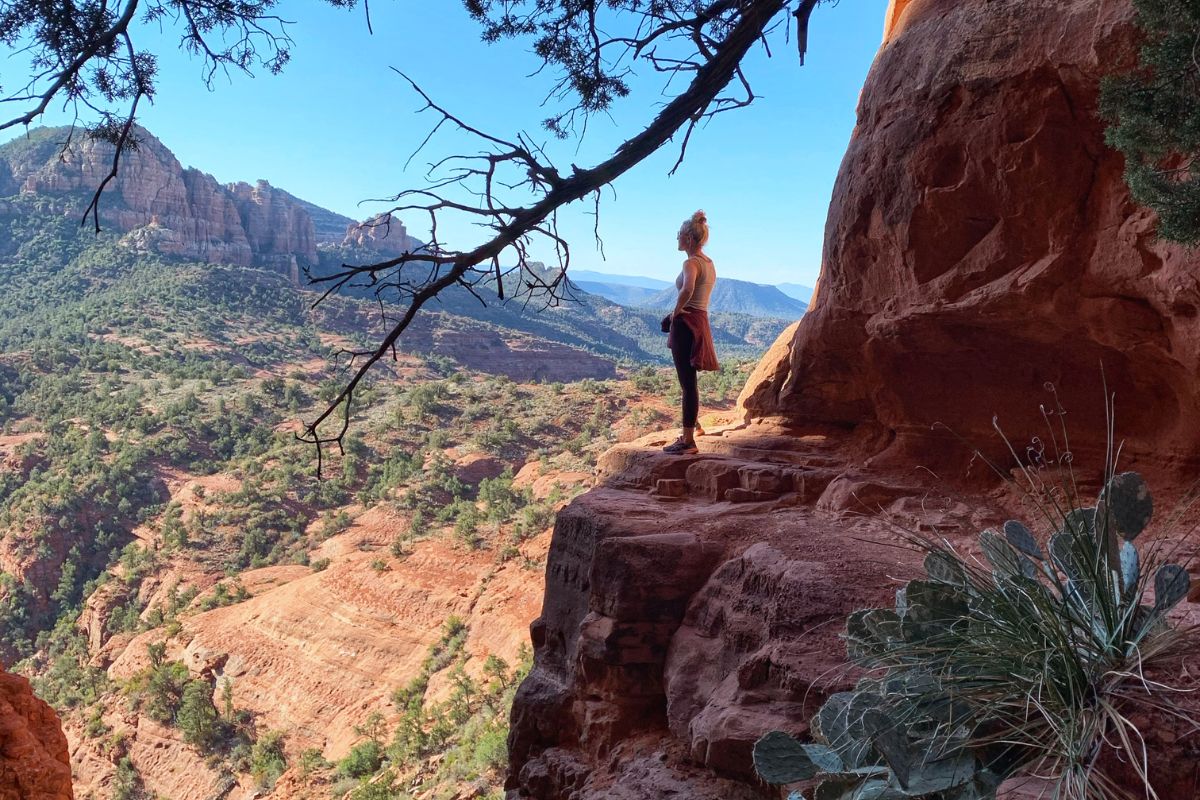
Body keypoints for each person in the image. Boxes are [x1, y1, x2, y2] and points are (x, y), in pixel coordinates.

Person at [663, 210, 719, 455]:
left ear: (687, 237)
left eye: (678, 234)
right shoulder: (708, 262)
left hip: (687, 323)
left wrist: (676, 312)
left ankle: (687, 441)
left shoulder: (691, 263)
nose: (676, 237)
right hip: (700, 319)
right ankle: (693, 425)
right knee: (689, 381)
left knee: (687, 384)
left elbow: (687, 289)